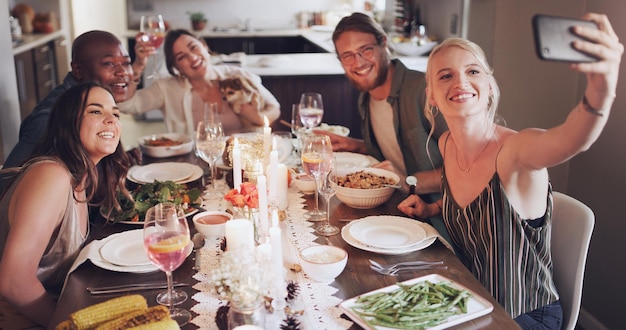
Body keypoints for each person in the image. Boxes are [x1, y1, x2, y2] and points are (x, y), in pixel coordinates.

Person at [397, 13, 622, 329]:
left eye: (472, 71)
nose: (461, 82)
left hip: (524, 317)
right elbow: (470, 211)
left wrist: (603, 87)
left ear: (488, 85)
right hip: (470, 303)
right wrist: (430, 207)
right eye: (445, 76)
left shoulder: (516, 152)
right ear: (432, 95)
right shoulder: (446, 143)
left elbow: (572, 138)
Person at [0, 82, 131, 328]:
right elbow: (12, 282)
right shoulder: (51, 176)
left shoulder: (82, 179)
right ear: (68, 122)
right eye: (95, 111)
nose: (111, 120)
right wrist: (69, 325)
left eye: (115, 113)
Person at [326, 12, 449, 238]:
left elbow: (465, 169)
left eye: (366, 49)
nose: (358, 62)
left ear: (383, 42)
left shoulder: (424, 91)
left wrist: (408, 182)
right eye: (348, 55)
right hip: (396, 212)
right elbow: (393, 153)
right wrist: (355, 145)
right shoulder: (366, 98)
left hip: (440, 222)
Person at [3, 30, 143, 169]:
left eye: (126, 63)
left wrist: (114, 160)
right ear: (77, 70)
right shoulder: (50, 118)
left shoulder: (100, 99)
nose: (122, 72)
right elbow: (8, 180)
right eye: (108, 64)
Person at [118, 29, 281, 136]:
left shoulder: (236, 75)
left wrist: (260, 118)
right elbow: (126, 105)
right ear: (176, 67)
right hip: (197, 167)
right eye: (181, 57)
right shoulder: (167, 88)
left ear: (204, 46)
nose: (193, 58)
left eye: (194, 48)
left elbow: (274, 107)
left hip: (250, 160)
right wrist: (138, 65)